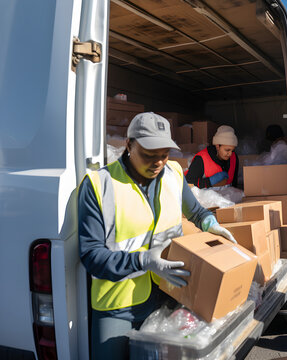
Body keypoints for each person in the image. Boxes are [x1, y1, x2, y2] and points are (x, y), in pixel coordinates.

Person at [78, 112, 237, 359]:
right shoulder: (99, 185)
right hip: (117, 306)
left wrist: (209, 222)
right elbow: (91, 256)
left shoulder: (173, 174)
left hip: (168, 294)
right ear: (129, 145)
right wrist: (142, 261)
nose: (157, 162)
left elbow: (193, 209)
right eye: (149, 155)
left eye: (163, 154)